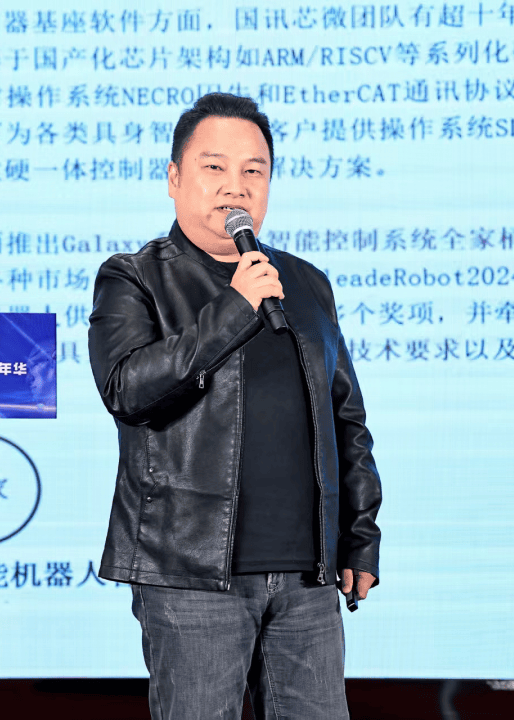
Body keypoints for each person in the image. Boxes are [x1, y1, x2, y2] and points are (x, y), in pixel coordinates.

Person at [88, 92, 382, 720]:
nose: (236, 186)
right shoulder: (133, 277)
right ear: (174, 178)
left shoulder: (304, 282)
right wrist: (233, 309)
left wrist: (359, 537)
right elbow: (127, 389)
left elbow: (345, 418)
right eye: (214, 167)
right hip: (192, 576)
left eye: (254, 170)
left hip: (308, 579)